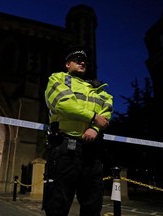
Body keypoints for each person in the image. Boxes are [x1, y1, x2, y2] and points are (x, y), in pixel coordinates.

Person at [43, 46, 113, 216]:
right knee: (58, 202)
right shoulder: (58, 78)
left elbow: (107, 109)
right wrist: (92, 117)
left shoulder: (99, 88)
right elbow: (63, 104)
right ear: (67, 64)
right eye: (77, 59)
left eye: (85, 61)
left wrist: (95, 128)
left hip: (92, 150)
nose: (82, 62)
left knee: (92, 203)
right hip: (65, 148)